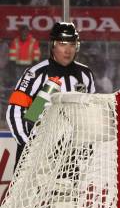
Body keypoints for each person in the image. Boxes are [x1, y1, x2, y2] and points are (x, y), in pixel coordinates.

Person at [6, 21, 95, 171]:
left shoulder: (85, 75)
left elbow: (89, 114)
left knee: (66, 194)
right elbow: (15, 111)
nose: (68, 50)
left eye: (72, 44)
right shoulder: (36, 73)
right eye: (62, 44)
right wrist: (28, 145)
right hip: (34, 152)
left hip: (70, 157)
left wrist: (87, 144)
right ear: (53, 45)